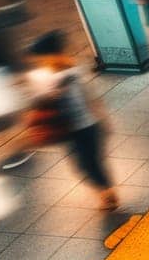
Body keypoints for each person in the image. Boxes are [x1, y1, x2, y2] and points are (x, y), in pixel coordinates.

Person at [23, 31, 118, 212]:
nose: (40, 61)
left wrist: (103, 120)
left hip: (88, 125)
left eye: (42, 57)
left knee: (91, 162)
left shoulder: (76, 72)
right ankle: (106, 190)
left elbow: (92, 98)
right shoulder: (41, 77)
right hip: (66, 128)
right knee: (84, 165)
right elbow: (38, 103)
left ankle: (107, 194)